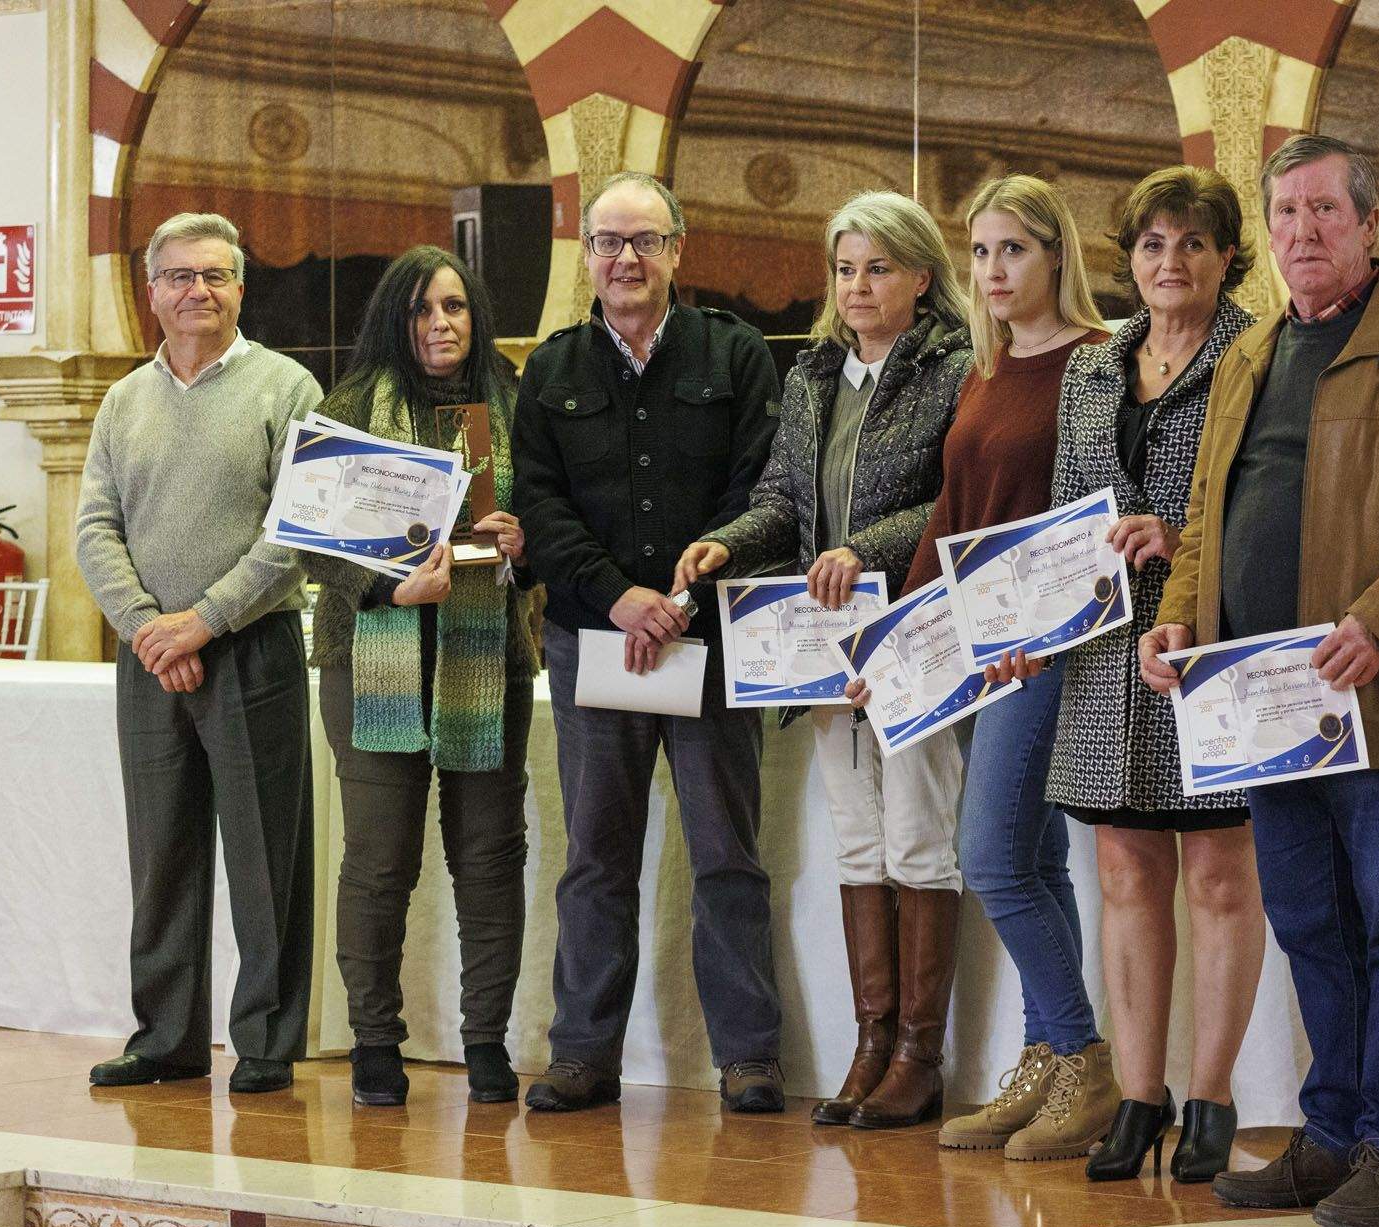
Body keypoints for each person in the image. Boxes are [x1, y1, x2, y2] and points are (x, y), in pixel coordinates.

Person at [1143, 134, 1379, 1227]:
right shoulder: (1247, 355)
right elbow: (1210, 516)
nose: (1302, 232)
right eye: (1286, 215)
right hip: (1263, 704)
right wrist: (1176, 617)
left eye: (1324, 212)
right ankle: (1330, 1134)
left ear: (1370, 224)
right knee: (1311, 919)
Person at [674, 190, 972, 1130]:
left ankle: (920, 1055)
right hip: (823, 646)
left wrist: (866, 547)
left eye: (877, 267)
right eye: (844, 268)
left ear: (922, 277)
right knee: (857, 838)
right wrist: (728, 540)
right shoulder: (810, 378)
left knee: (919, 833)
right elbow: (781, 501)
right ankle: (870, 1043)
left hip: (918, 634)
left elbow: (957, 504)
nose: (856, 286)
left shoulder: (958, 370)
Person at [511, 172, 785, 1113]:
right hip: (592, 641)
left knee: (728, 856)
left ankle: (748, 1057)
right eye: (608, 242)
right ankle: (582, 1055)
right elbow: (537, 507)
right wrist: (619, 597)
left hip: (706, 643)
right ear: (584, 253)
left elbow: (759, 491)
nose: (625, 259)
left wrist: (676, 599)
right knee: (595, 860)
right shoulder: (549, 371)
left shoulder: (737, 355)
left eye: (645, 241)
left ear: (679, 248)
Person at [879, 176, 1121, 1159]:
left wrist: (1050, 621)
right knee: (1033, 861)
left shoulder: (1097, 364)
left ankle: (1082, 1058)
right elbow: (952, 514)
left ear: (1056, 254)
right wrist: (892, 641)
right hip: (976, 647)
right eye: (978, 253)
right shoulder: (987, 366)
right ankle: (1041, 1066)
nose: (991, 272)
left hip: (1053, 648)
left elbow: (1099, 513)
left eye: (1011, 250)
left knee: (989, 859)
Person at [1044, 165, 1264, 1184]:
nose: (1169, 262)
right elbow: (1062, 514)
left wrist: (1176, 538)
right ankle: (1140, 1094)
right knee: (1125, 872)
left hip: (1209, 639)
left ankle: (1212, 1097)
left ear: (1227, 256)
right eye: (1150, 245)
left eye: (1191, 242)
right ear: (1127, 260)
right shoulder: (1091, 369)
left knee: (1221, 873)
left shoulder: (1258, 356)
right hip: (1101, 652)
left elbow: (1267, 504)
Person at [75, 211, 321, 1094]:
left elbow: (295, 531)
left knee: (266, 858)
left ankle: (264, 1041)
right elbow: (94, 526)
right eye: (180, 276)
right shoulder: (123, 400)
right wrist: (149, 625)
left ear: (241, 289)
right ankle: (166, 1038)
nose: (197, 292)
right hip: (150, 661)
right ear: (151, 293)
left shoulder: (287, 389)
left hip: (251, 650)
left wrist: (203, 622)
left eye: (215, 276)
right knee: (164, 852)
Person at [302, 245, 534, 1108]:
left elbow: (547, 514)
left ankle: (485, 1042)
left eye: (454, 308)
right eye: (420, 310)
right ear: (395, 322)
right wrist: (388, 586)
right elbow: (305, 535)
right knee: (377, 864)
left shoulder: (510, 403)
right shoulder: (352, 407)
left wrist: (522, 539)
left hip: (486, 658)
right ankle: (373, 1043)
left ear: (475, 316)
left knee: (488, 859)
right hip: (371, 658)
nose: (439, 325)